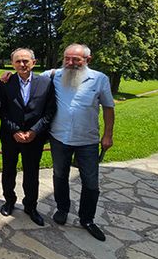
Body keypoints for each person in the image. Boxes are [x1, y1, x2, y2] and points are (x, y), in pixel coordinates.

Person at [44, 43, 115, 241]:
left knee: (91, 182)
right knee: (60, 175)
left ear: (87, 60)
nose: (70, 63)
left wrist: (108, 135)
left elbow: (109, 108)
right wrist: (8, 77)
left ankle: (87, 218)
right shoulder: (55, 75)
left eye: (76, 59)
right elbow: (29, 77)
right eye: (67, 58)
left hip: (88, 140)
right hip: (59, 137)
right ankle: (62, 208)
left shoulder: (99, 79)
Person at [0, 48, 56, 226]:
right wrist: (15, 131)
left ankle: (31, 206)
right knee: (8, 171)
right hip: (10, 136)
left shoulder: (46, 83)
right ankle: (9, 200)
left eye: (25, 61)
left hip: (34, 137)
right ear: (12, 63)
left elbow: (50, 111)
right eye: (18, 61)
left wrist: (34, 131)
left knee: (31, 173)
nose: (22, 64)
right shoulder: (6, 82)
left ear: (34, 62)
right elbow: (2, 109)